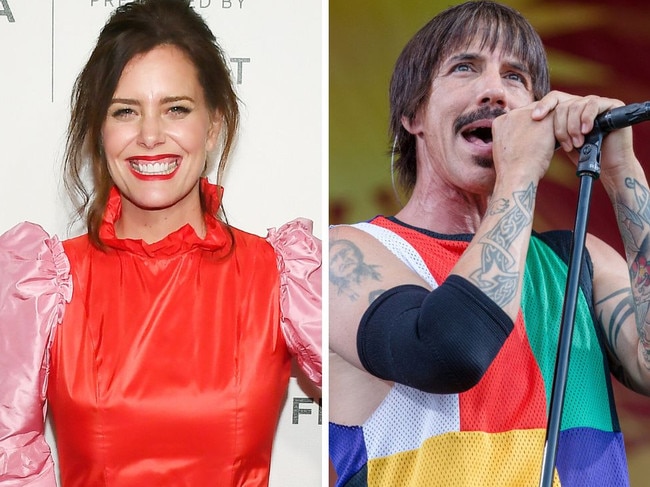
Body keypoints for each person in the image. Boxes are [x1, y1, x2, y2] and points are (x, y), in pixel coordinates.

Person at [0, 1, 321, 485]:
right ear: (100, 131)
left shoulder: (281, 277)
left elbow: (379, 387)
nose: (150, 136)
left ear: (213, 125)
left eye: (175, 109)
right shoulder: (42, 285)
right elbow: (10, 455)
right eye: (126, 111)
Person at [329, 1, 650, 486]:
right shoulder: (344, 253)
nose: (496, 92)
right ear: (413, 115)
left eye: (516, 77)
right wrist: (520, 172)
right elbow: (449, 350)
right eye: (465, 68)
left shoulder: (578, 260)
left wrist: (623, 171)